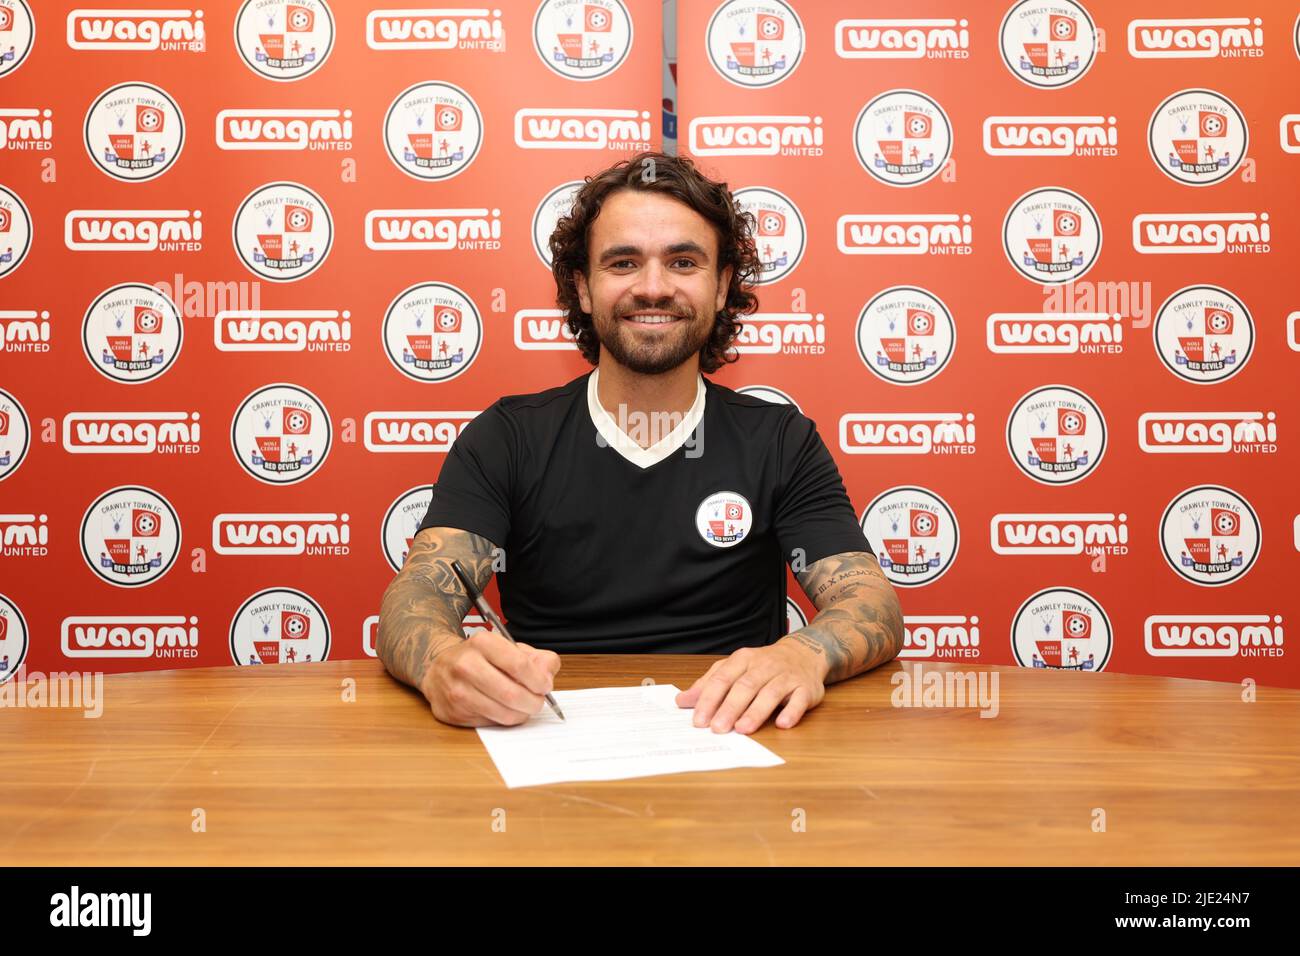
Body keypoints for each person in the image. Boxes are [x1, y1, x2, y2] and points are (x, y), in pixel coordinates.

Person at [377, 152, 903, 733]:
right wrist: (441, 662)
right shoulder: (508, 438)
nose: (653, 288)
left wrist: (805, 653)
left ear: (723, 284)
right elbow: (418, 594)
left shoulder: (782, 441)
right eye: (623, 262)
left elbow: (869, 601)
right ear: (582, 287)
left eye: (683, 261)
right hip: (546, 741)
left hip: (729, 739)